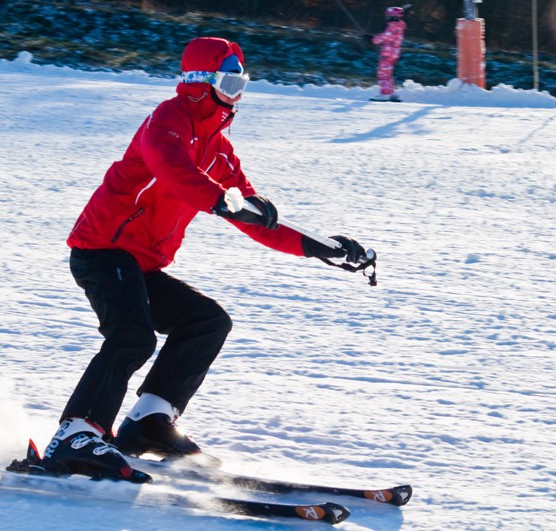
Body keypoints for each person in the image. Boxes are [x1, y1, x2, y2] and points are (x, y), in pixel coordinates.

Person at [40, 37, 366, 481]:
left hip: (143, 265)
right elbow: (175, 174)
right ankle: (75, 434)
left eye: (242, 84)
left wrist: (320, 246)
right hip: (102, 250)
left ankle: (148, 422)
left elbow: (254, 218)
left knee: (207, 321)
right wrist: (222, 200)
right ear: (200, 80)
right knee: (132, 336)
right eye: (229, 82)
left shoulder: (218, 148)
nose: (235, 95)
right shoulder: (167, 120)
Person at [365, 6, 407, 102]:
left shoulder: (392, 26)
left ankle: (385, 94)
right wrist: (373, 37)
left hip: (388, 53)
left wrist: (372, 40)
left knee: (383, 73)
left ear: (392, 16)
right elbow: (388, 36)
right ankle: (391, 93)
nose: (387, 18)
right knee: (388, 73)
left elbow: (385, 37)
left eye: (388, 16)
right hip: (394, 53)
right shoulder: (399, 26)